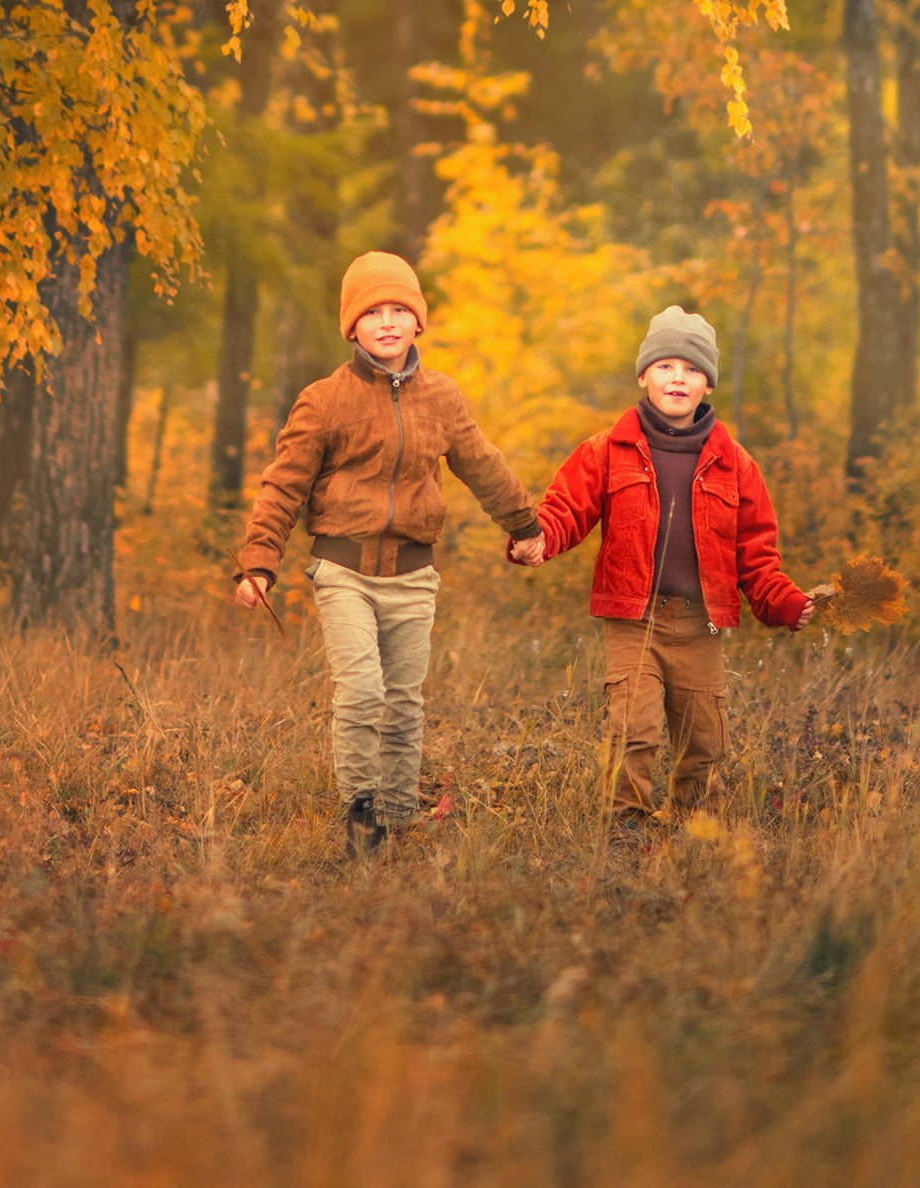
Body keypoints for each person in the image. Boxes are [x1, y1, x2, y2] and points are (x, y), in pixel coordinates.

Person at [232, 250, 545, 856]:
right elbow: (284, 484)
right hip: (343, 569)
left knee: (403, 701)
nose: (388, 321)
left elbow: (482, 464)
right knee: (362, 692)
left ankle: (398, 820)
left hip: (413, 573)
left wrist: (525, 524)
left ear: (418, 320)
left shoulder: (443, 397)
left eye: (400, 308)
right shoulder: (325, 399)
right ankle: (362, 816)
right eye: (373, 311)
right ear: (353, 325)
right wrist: (259, 561)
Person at [530, 305, 831, 828]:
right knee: (634, 729)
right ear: (644, 375)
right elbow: (565, 510)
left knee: (705, 739)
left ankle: (698, 833)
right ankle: (622, 832)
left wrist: (784, 603)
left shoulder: (734, 462)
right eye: (666, 366)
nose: (678, 378)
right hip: (634, 618)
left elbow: (757, 553)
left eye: (692, 370)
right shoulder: (607, 450)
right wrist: (537, 539)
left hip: (701, 622)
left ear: (708, 384)